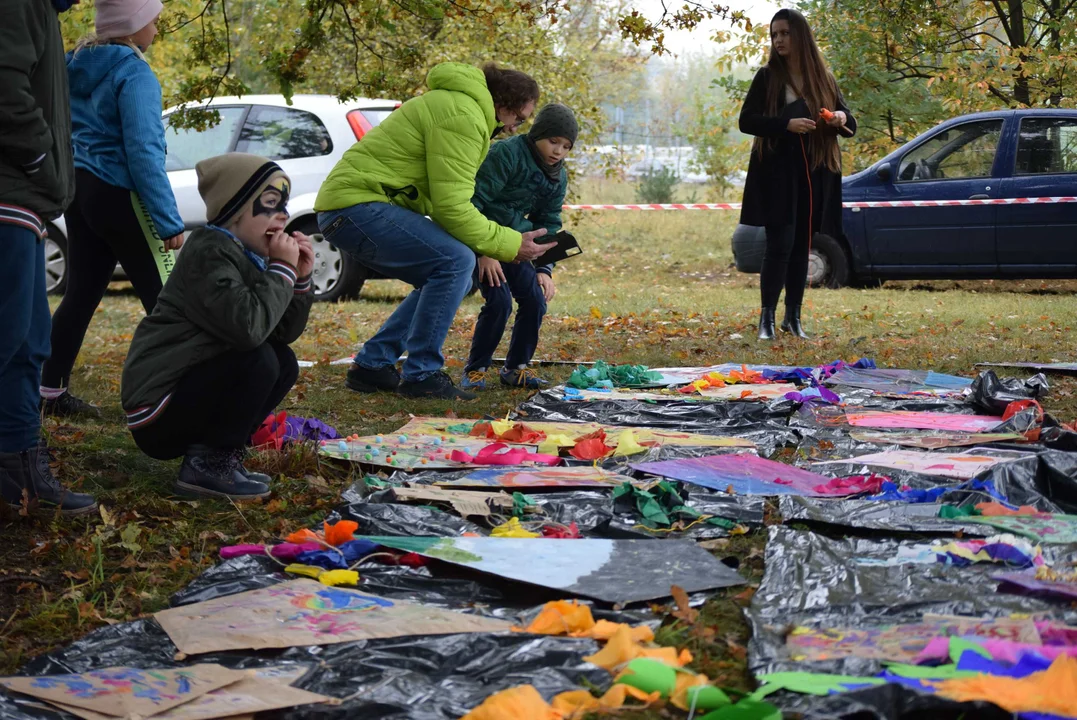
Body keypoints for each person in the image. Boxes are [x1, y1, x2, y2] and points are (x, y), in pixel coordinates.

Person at [316, 62, 550, 400]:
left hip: (354, 206)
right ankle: (421, 374)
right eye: (520, 118)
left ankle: (372, 365)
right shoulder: (464, 117)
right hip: (354, 207)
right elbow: (451, 206)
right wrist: (510, 243)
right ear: (504, 105)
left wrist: (484, 248)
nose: (516, 128)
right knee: (455, 261)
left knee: (458, 270)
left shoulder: (459, 106)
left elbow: (447, 200)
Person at [121, 153, 315, 500]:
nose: (283, 216)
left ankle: (221, 458)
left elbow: (280, 332)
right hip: (157, 410)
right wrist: (280, 271)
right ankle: (206, 467)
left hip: (186, 394)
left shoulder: (245, 254)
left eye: (284, 206)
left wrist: (297, 280)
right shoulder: (209, 253)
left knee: (281, 359)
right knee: (259, 359)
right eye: (270, 204)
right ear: (235, 209)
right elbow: (249, 330)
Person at [40, 0, 186, 418]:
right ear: (133, 25)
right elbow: (143, 151)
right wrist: (167, 220)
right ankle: (177, 401)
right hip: (121, 194)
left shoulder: (70, 65)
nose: (157, 28)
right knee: (168, 302)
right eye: (152, 20)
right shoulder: (133, 72)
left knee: (81, 293)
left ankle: (48, 392)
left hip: (81, 192)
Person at [0, 0, 98, 517]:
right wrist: (39, 157)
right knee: (10, 339)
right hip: (10, 196)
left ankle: (18, 475)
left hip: (25, 201)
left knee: (28, 342)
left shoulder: (43, 11)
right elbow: (6, 85)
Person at [738, 8, 855, 341]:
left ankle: (793, 318)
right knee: (780, 245)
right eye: (774, 35)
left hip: (814, 173)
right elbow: (746, 121)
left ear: (800, 35)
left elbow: (850, 122)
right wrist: (785, 125)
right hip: (777, 174)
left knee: (802, 245)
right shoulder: (768, 77)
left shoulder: (823, 78)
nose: (778, 40)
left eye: (785, 33)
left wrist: (838, 119)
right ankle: (767, 320)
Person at [461, 103, 577, 391]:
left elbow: (548, 222)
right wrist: (484, 252)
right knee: (499, 303)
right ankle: (476, 370)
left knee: (535, 300)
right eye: (553, 141)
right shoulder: (506, 154)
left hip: (517, 245)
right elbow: (473, 203)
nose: (558, 151)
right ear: (537, 134)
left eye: (566, 146)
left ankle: (516, 369)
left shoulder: (558, 175)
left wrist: (544, 268)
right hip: (484, 240)